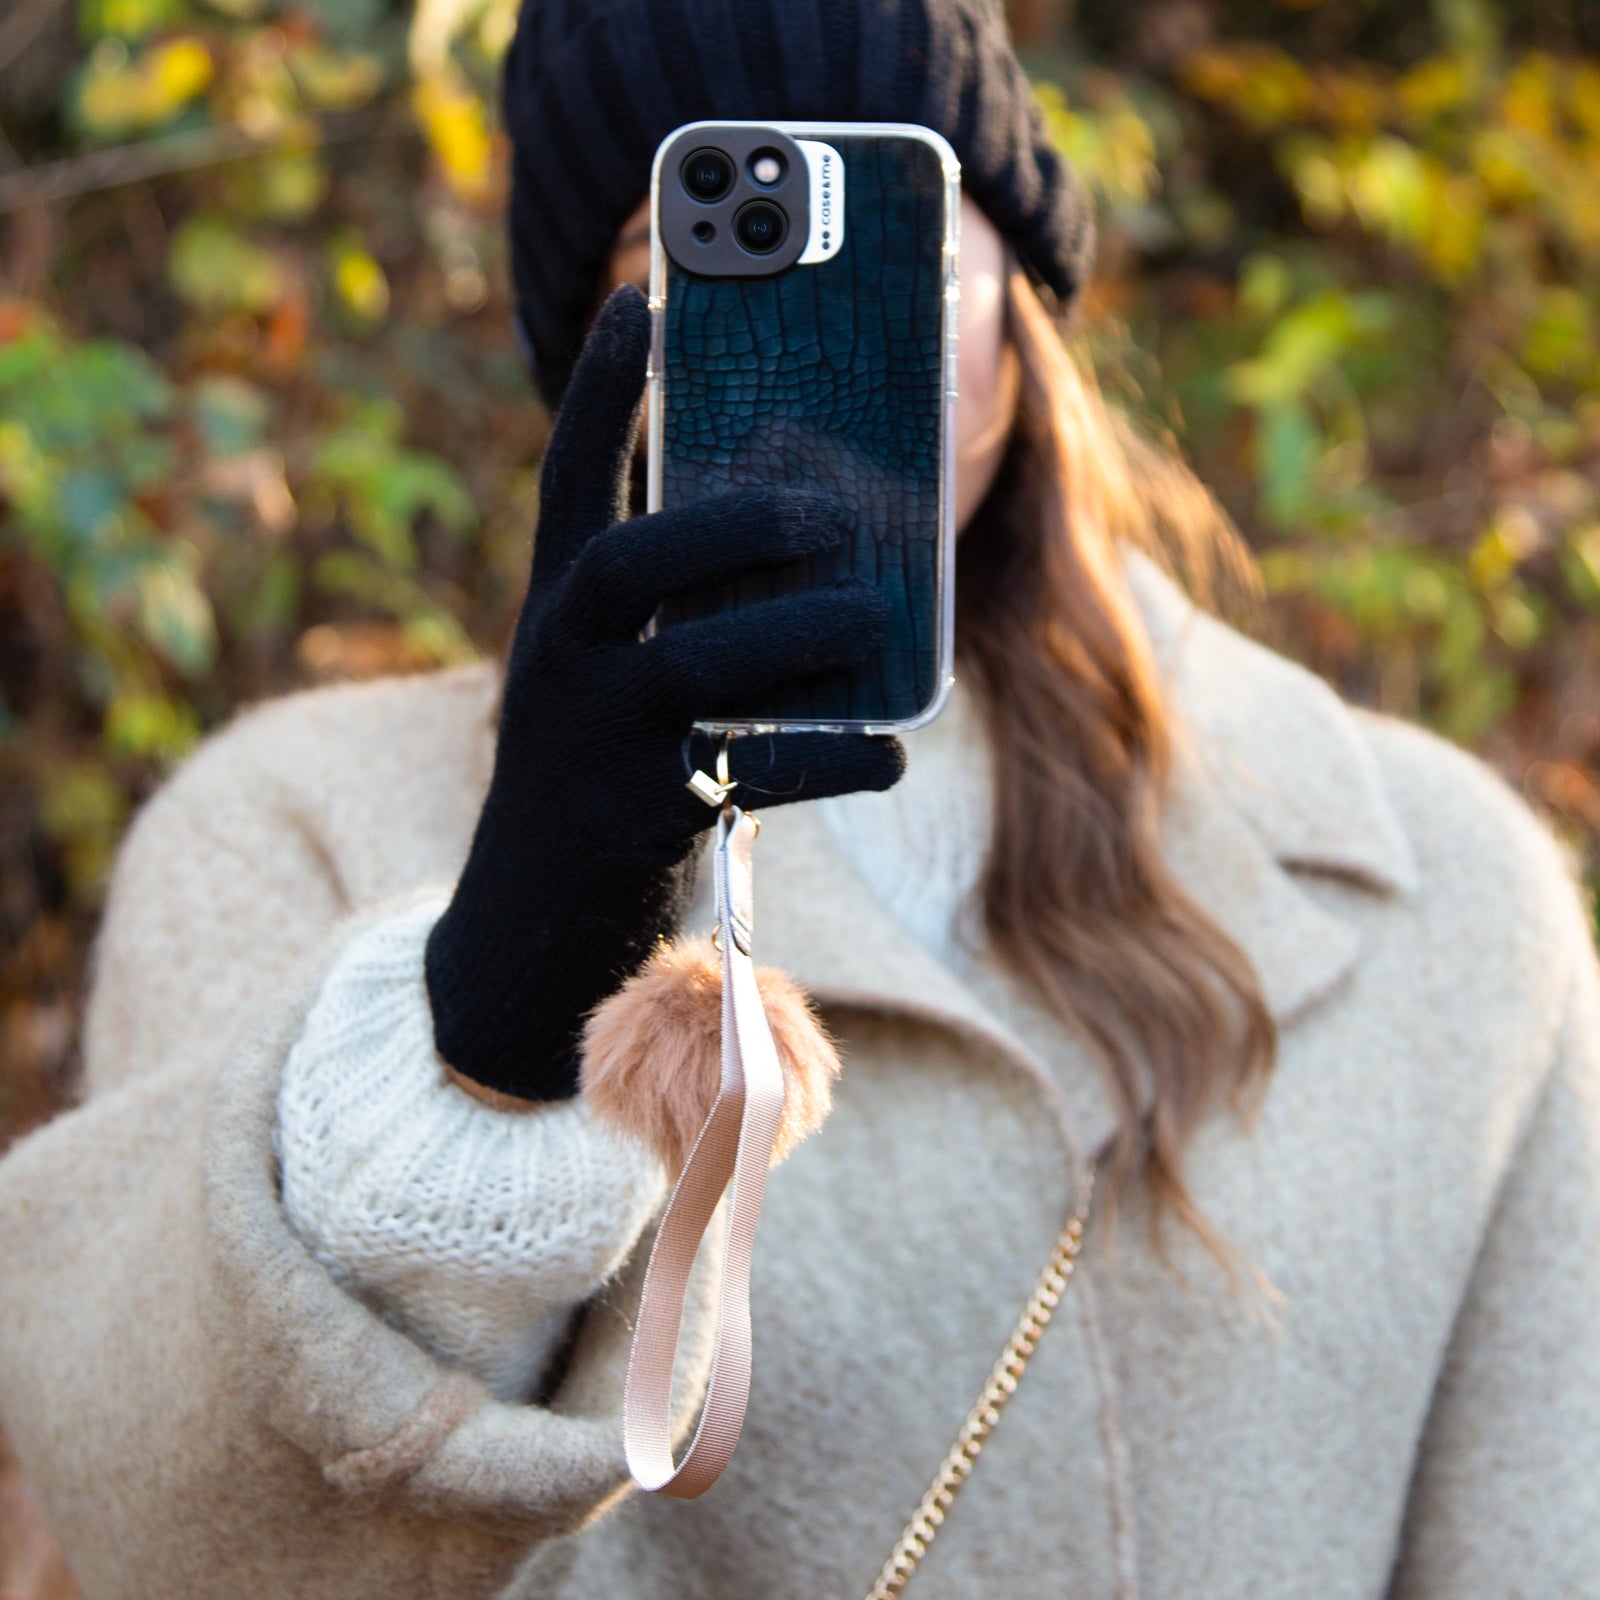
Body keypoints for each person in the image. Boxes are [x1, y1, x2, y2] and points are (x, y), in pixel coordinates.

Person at [1, 0, 1597, 1595]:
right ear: (591, 346)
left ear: (1023, 296)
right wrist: (485, 1038)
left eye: (901, 234)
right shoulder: (288, 829)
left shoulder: (1457, 894)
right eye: (706, 241)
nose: (816, 325)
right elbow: (190, 1549)